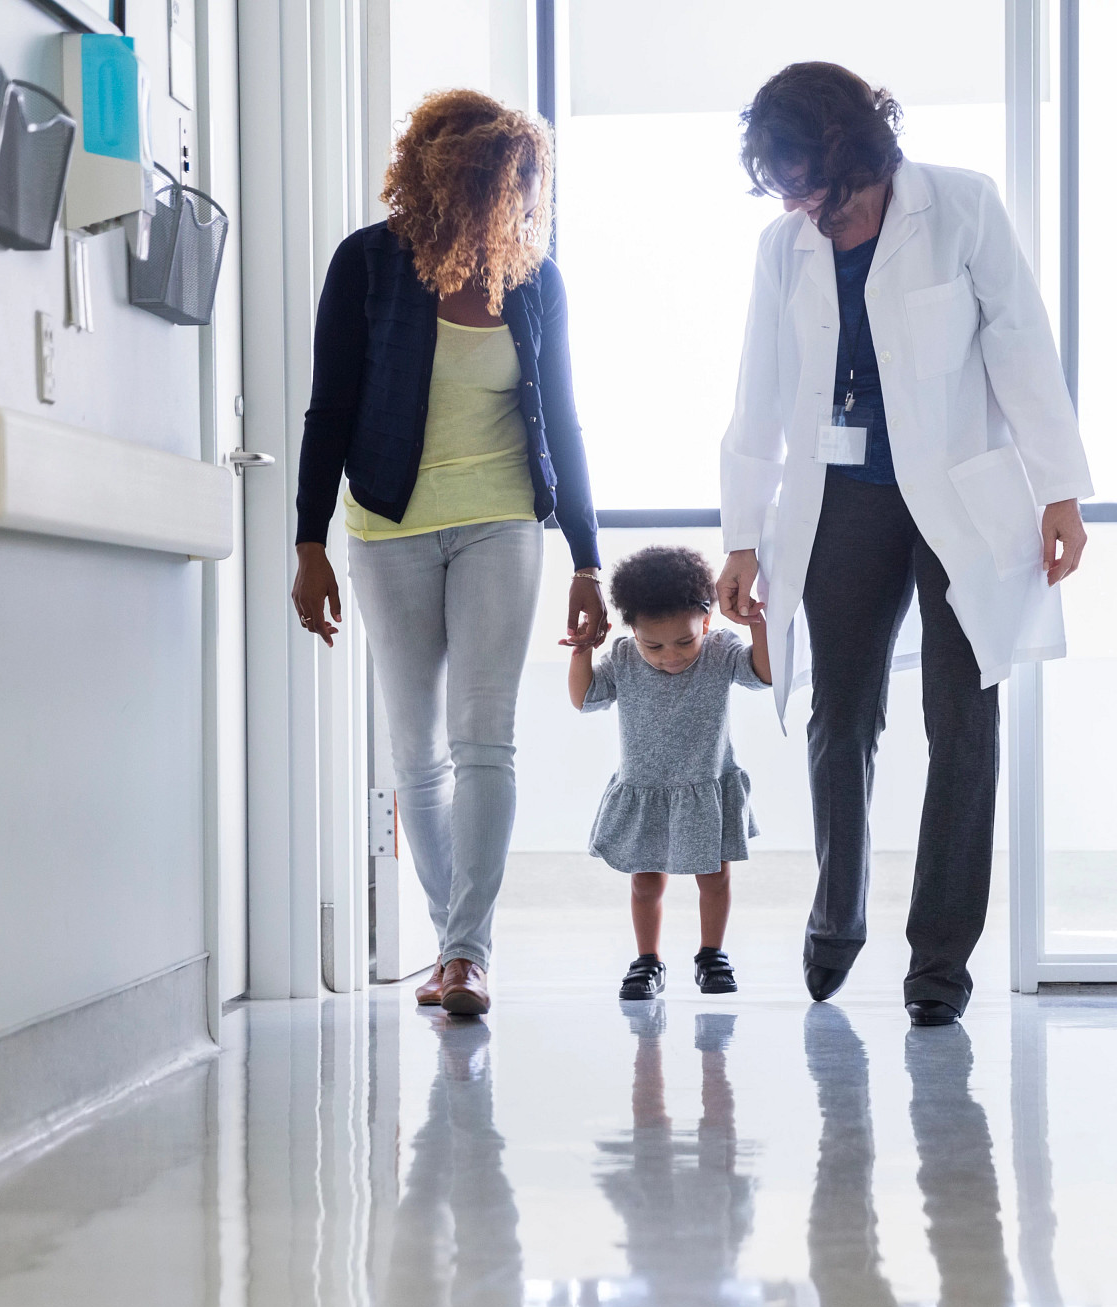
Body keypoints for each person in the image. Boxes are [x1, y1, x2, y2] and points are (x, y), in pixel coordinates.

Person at [715, 63, 1093, 1026]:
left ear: (855, 154)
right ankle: (838, 917)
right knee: (841, 717)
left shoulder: (961, 209)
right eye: (783, 186)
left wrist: (1059, 489)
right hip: (840, 501)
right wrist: (742, 538)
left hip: (959, 498)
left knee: (962, 725)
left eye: (808, 183)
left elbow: (1021, 345)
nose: (799, 204)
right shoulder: (780, 248)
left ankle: (939, 964)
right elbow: (759, 390)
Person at [293, 90, 608, 1017]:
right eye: (479, 186)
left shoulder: (536, 279)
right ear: (433, 180)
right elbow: (328, 410)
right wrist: (307, 540)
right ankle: (448, 941)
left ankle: (468, 954)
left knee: (483, 735)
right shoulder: (366, 264)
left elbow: (563, 422)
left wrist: (587, 560)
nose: (495, 205)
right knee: (414, 748)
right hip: (388, 525)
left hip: (503, 520)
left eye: (513, 188)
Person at [569, 546, 770, 1000]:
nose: (670, 656)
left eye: (685, 641)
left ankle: (711, 954)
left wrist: (759, 628)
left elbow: (762, 676)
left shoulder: (721, 652)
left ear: (707, 623)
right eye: (653, 645)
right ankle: (647, 960)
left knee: (715, 877)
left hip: (705, 784)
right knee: (645, 882)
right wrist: (582, 651)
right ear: (632, 632)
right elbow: (585, 698)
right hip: (647, 790)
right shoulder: (622, 658)